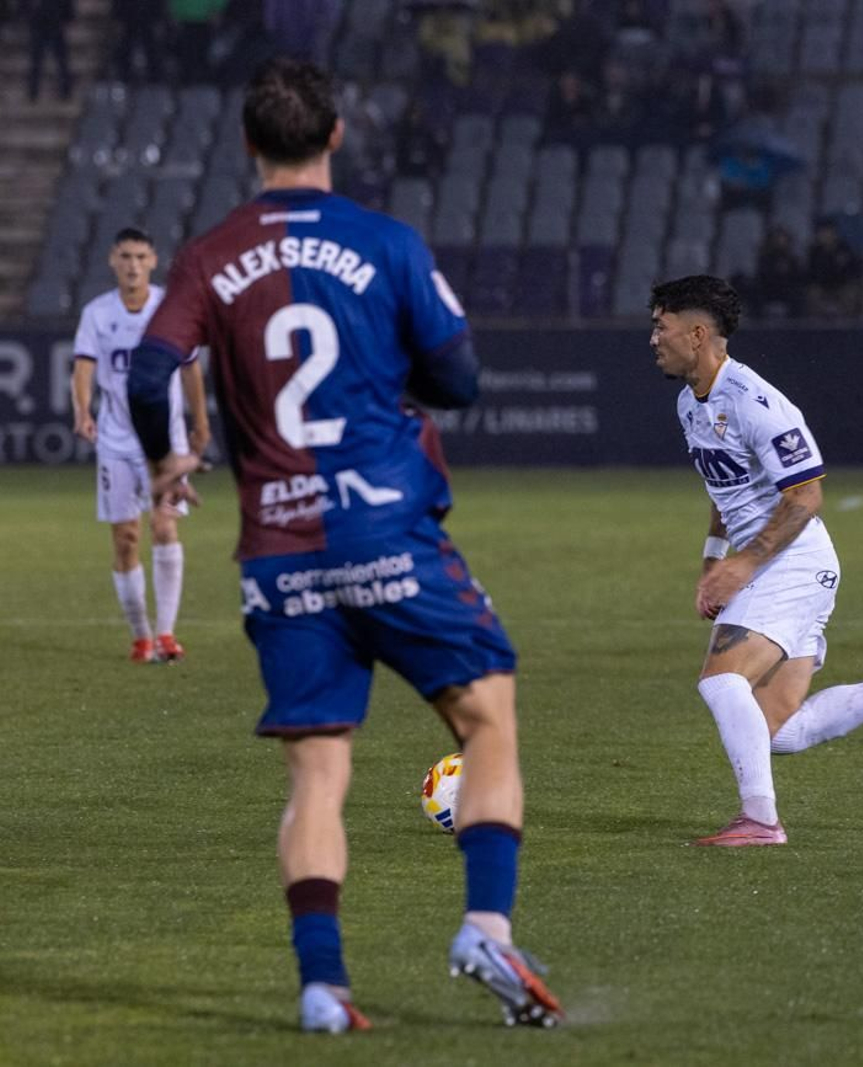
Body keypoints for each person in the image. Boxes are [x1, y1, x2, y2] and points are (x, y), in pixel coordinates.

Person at [125, 58, 564, 1032]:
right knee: (487, 715)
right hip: (383, 531)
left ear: (248, 146)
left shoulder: (207, 254)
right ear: (335, 136)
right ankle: (485, 924)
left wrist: (166, 459)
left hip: (278, 552)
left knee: (318, 771)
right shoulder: (386, 241)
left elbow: (150, 371)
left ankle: (322, 986)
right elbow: (458, 379)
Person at [649, 275, 863, 847]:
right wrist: (713, 559)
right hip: (772, 564)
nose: (653, 338)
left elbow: (805, 496)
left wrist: (744, 565)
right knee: (777, 731)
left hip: (792, 563)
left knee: (721, 684)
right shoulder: (690, 402)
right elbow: (724, 490)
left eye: (662, 326)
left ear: (698, 332)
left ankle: (760, 821)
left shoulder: (758, 403)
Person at [71, 227, 206, 665]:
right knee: (126, 537)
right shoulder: (97, 313)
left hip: (164, 440)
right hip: (115, 438)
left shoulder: (169, 309)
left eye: (140, 257)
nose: (132, 264)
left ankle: (166, 634)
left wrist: (200, 422)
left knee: (165, 526)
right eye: (125, 256)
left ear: (152, 261)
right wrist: (82, 410)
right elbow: (83, 368)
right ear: (113, 260)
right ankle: (141, 635)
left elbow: (189, 369)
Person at [26, 0, 75, 102]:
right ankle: (32, 92)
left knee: (62, 61)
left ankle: (66, 91)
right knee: (36, 62)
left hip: (55, 23)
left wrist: (67, 16)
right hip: (38, 24)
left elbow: (68, 5)